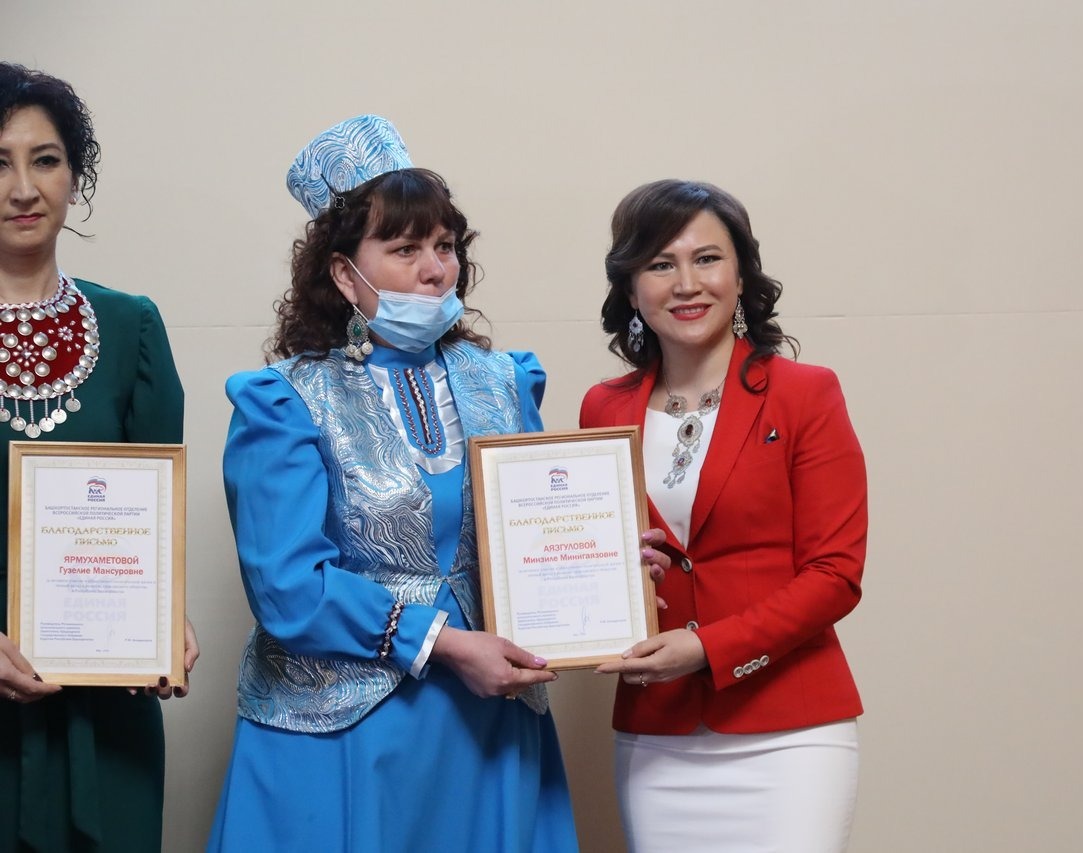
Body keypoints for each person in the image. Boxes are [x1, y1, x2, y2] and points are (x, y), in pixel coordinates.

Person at [207, 115, 669, 853]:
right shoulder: (285, 401)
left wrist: (609, 563)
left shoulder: (503, 381)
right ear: (343, 274)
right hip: (345, 729)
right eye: (404, 249)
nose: (434, 270)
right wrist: (444, 644)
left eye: (445, 246)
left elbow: (529, 534)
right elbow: (288, 586)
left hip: (486, 722)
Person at [582, 179, 868, 852]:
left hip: (791, 732)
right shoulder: (603, 407)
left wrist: (708, 648)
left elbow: (836, 574)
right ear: (631, 289)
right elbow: (599, 554)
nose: (687, 283)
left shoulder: (805, 394)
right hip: (657, 736)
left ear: (741, 276)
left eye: (707, 259)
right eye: (660, 264)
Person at [0, 63, 198, 852]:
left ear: (74, 176)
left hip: (107, 713)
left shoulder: (131, 328)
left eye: (45, 159)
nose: (22, 188)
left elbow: (151, 522)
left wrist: (165, 618)